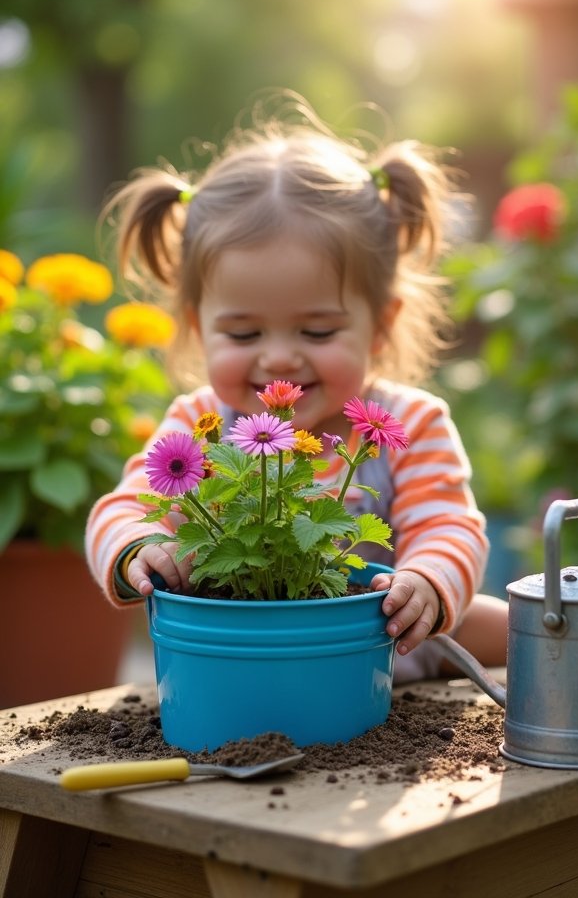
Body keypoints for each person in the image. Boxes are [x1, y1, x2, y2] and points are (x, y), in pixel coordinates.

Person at [85, 95, 508, 682]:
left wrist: (427, 583)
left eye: (317, 329)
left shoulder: (409, 422)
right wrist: (139, 547)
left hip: (386, 644)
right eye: (243, 331)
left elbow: (449, 526)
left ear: (381, 324)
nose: (279, 356)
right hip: (247, 648)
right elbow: (123, 508)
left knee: (506, 626)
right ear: (194, 326)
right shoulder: (199, 424)